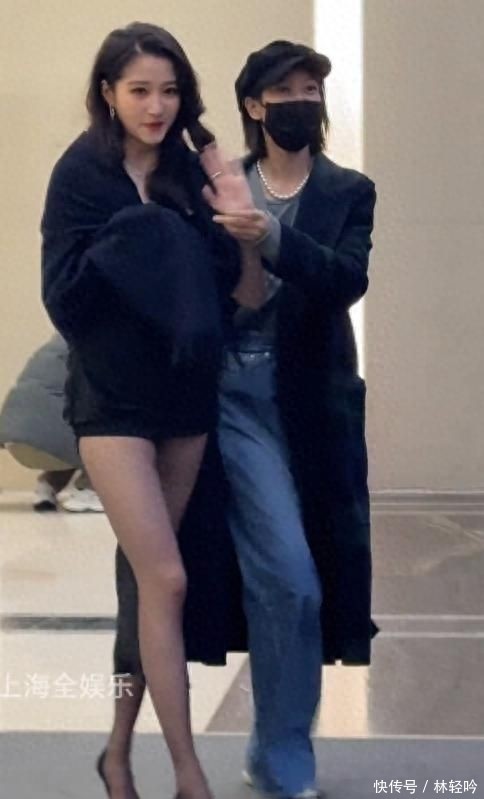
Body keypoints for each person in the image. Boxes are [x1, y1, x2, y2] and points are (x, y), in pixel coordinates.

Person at [99, 39, 379, 799]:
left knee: (301, 581)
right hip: (212, 398)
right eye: (285, 92)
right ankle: (210, 754)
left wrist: (271, 237)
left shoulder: (348, 190)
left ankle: (279, 752)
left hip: (305, 407)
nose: (301, 104)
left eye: (311, 91)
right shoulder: (209, 183)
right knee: (231, 577)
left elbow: (346, 277)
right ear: (254, 104)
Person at [40, 22, 255, 799]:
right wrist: (135, 243)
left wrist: (239, 221)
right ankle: (190, 773)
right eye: (139, 91)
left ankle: (118, 754)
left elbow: (238, 295)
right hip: (112, 400)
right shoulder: (81, 173)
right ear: (108, 93)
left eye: (169, 91)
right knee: (167, 578)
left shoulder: (190, 173)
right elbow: (62, 298)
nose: (156, 107)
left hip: (185, 396)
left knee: (144, 586)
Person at [0, 333, 103, 512]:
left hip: (13, 438)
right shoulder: (110, 339)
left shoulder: (66, 334)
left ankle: (47, 487)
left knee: (62, 427)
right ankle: (89, 489)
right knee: (115, 431)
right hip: (54, 440)